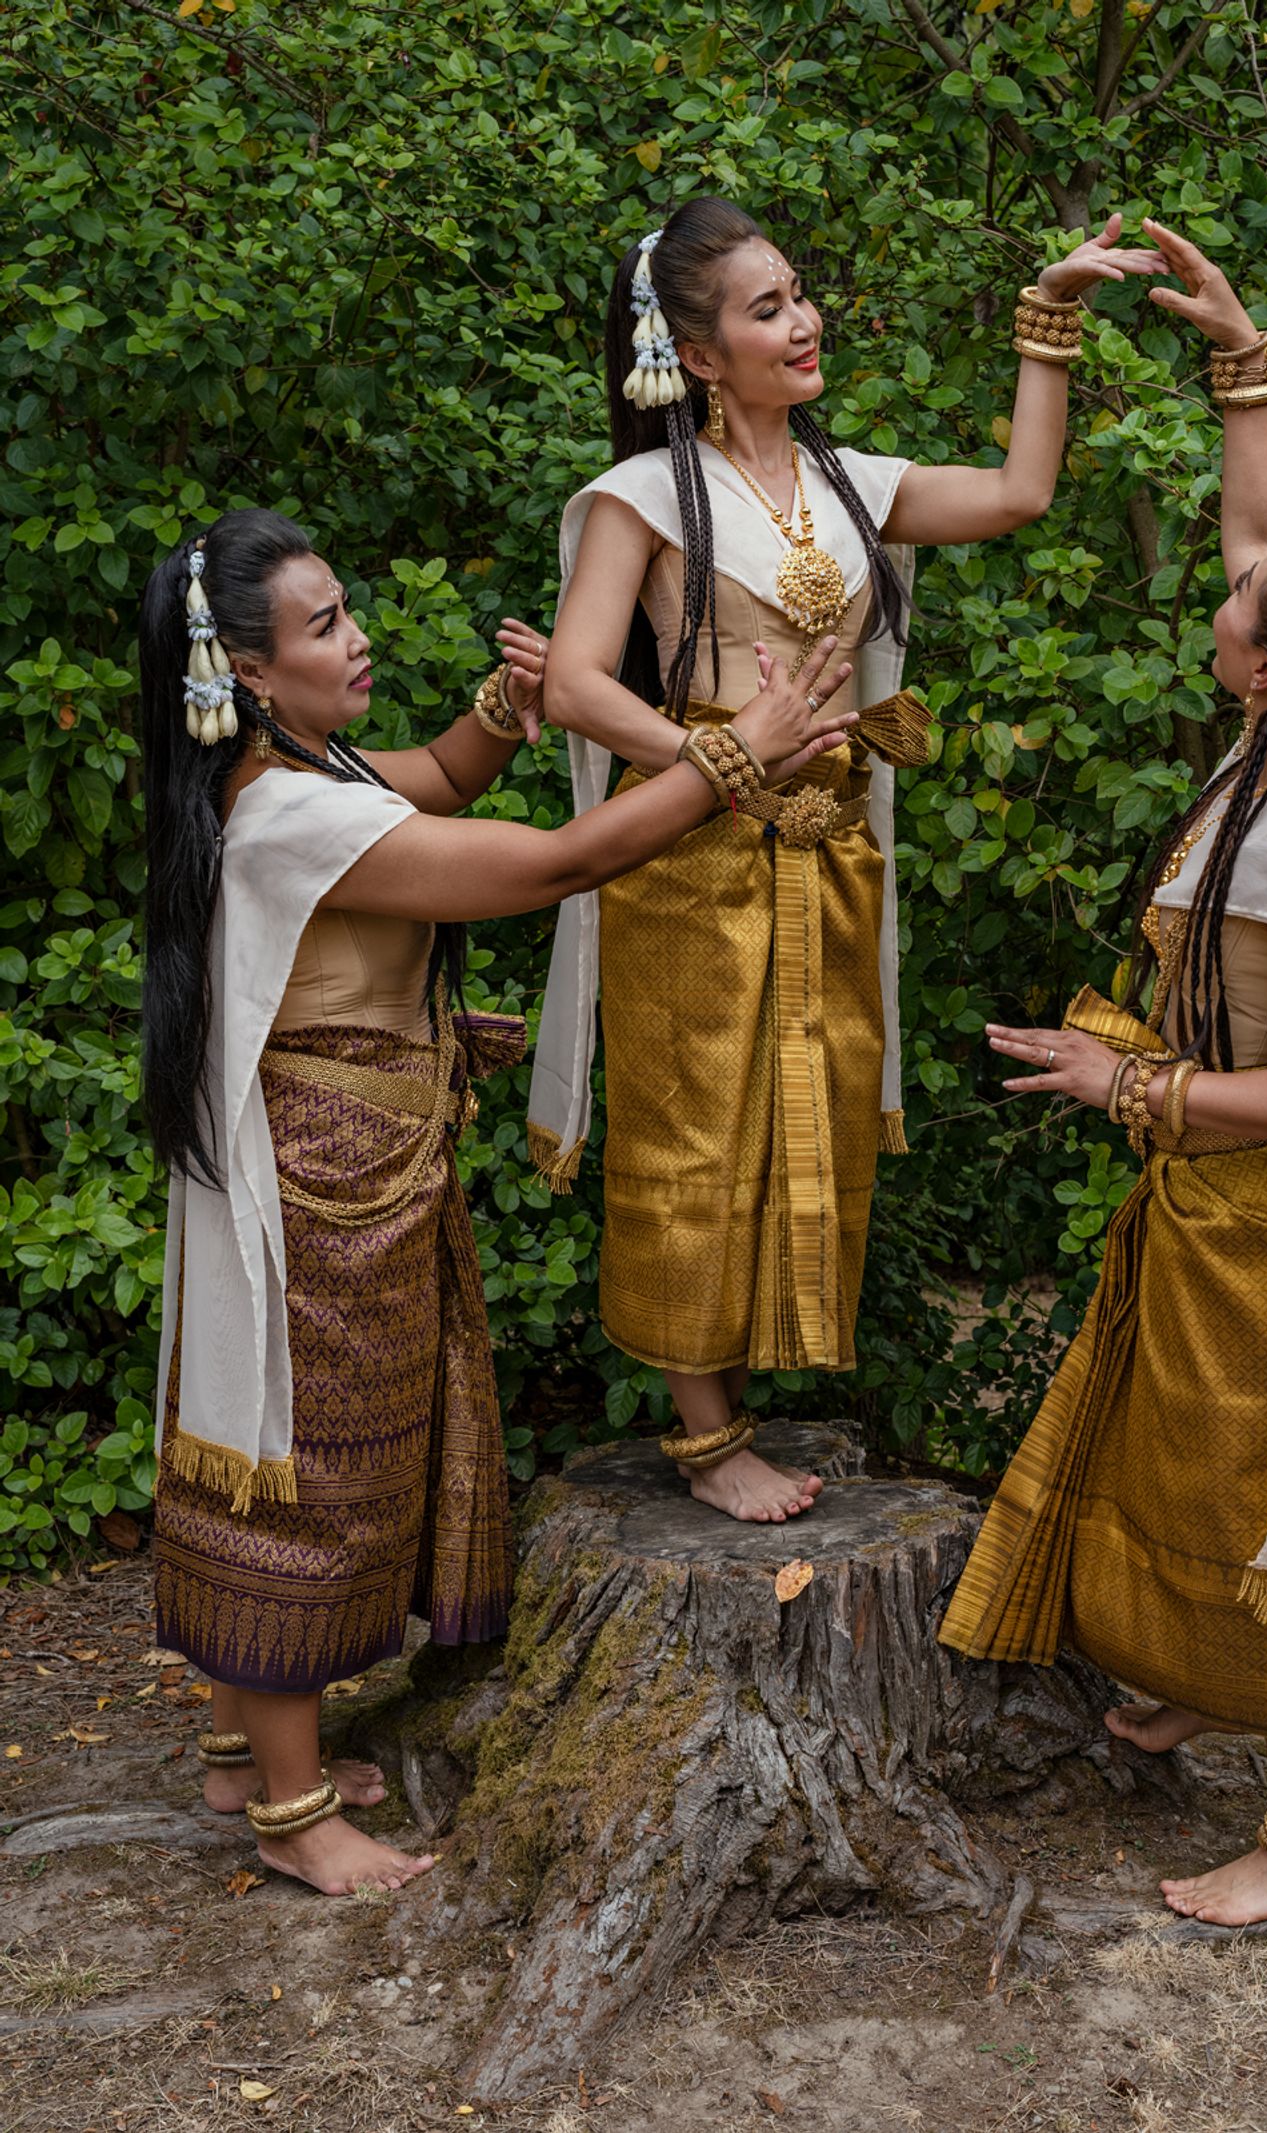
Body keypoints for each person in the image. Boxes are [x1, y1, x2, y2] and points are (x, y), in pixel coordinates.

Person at [140, 506, 854, 1896]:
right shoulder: (283, 812)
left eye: (348, 609)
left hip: (355, 1171)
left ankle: (242, 1752)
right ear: (244, 671)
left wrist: (499, 709)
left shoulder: (296, 765)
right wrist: (730, 755)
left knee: (311, 1456)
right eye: (327, 627)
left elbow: (433, 781)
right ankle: (294, 1816)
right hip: (316, 1198)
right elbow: (546, 865)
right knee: (308, 1477)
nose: (360, 639)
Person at [939, 220, 1267, 1927]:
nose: (1232, 578)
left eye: (1251, 593)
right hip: (1208, 1198)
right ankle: (1187, 1685)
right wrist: (1242, 362)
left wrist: (1136, 1091)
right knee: (1178, 1459)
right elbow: (1266, 535)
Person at [504, 195, 1164, 1524]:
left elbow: (1024, 491)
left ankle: (745, 1391)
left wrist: (1052, 316)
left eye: (798, 294)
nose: (802, 321)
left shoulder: (853, 484)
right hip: (689, 858)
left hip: (830, 856)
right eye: (765, 309)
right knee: (695, 1130)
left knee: (793, 1114)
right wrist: (724, 758)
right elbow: (575, 685)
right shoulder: (644, 498)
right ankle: (707, 1437)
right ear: (694, 356)